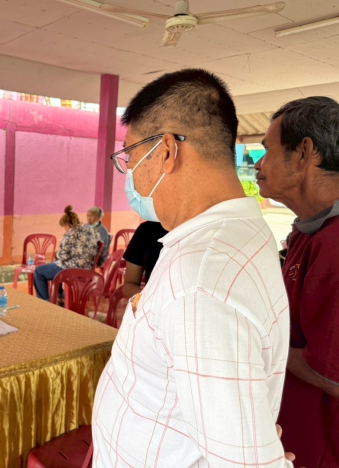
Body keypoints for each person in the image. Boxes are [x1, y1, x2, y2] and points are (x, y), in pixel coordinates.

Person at [92, 69, 293, 467]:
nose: (129, 174)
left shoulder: (200, 278)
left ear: (166, 151)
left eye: (130, 157)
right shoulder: (225, 236)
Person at [255, 96, 339, 468]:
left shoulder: (334, 244)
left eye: (267, 150)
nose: (258, 164)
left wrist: (260, 345)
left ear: (304, 153)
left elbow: (331, 372)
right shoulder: (310, 233)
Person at [33, 205, 100, 301]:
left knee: (39, 271)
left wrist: (57, 253)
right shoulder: (90, 230)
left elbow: (63, 256)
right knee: (55, 264)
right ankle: (60, 295)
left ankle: (45, 302)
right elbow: (94, 246)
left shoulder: (69, 235)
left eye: (64, 227)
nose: (65, 229)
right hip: (87, 268)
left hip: (72, 270)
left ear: (67, 225)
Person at [121, 221, 168, 300]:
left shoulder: (190, 232)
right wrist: (152, 299)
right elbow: (128, 286)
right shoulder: (147, 230)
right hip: (154, 304)